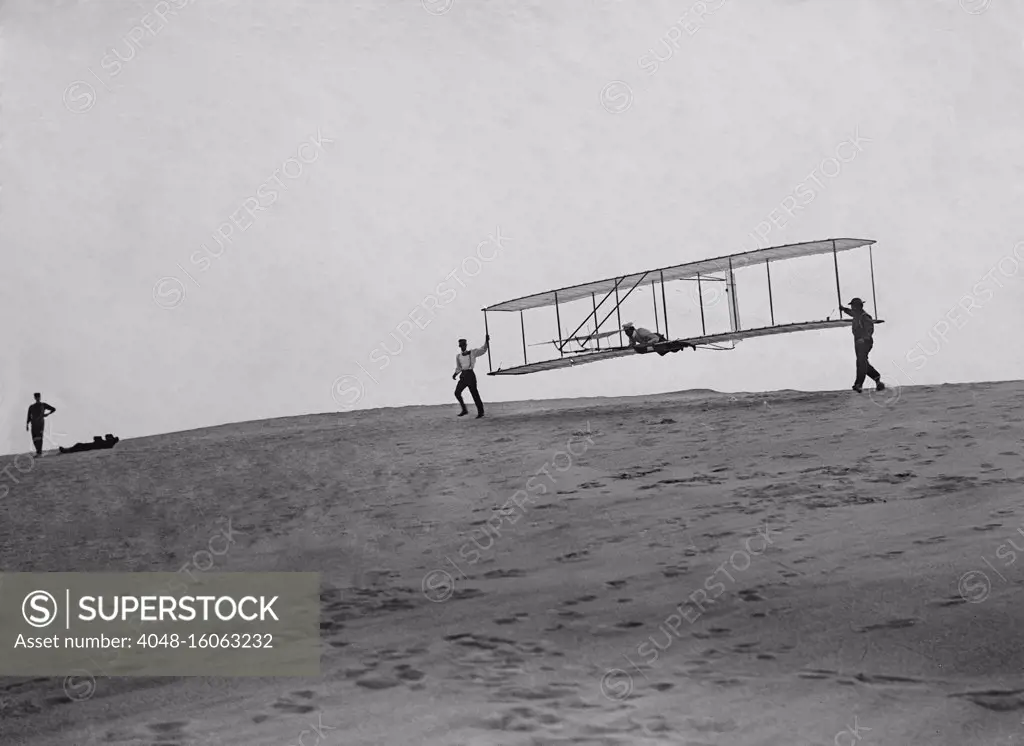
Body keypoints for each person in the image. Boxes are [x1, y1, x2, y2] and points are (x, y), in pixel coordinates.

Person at [839, 298, 885, 393]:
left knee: (861, 362)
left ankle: (858, 384)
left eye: (853, 306)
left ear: (857, 307)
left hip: (865, 342)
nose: (852, 307)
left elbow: (870, 330)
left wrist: (863, 339)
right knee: (863, 363)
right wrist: (844, 309)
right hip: (858, 342)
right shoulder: (857, 314)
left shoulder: (864, 316)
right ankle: (877, 378)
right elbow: (851, 312)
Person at [453, 335, 489, 418]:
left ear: (466, 345)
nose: (462, 346)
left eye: (463, 345)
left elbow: (483, 350)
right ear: (459, 346)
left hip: (470, 375)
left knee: (474, 394)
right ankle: (464, 410)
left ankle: (481, 412)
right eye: (461, 345)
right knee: (457, 393)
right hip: (463, 376)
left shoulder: (472, 352)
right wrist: (455, 374)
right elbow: (459, 367)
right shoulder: (458, 356)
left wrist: (486, 341)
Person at [622, 322, 695, 355]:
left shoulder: (640, 331)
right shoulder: (631, 336)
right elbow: (632, 344)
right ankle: (679, 346)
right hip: (653, 344)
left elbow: (655, 338)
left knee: (671, 348)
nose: (626, 333)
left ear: (632, 330)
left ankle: (688, 344)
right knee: (662, 352)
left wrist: (647, 344)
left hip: (657, 339)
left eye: (627, 331)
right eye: (625, 332)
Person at [25, 393, 56, 457]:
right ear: (34, 398)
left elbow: (53, 409)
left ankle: (39, 452)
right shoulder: (31, 407)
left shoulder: (43, 405)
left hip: (40, 424)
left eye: (39, 397)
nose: (38, 398)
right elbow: (28, 416)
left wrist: (47, 414)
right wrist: (27, 424)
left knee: (39, 438)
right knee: (34, 438)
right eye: (36, 397)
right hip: (33, 424)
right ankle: (38, 451)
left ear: (40, 397)